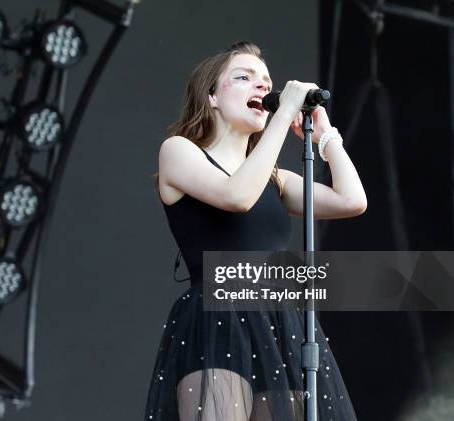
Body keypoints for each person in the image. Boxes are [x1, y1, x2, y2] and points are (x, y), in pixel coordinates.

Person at [144, 42, 366, 421]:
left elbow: (351, 200)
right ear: (211, 96)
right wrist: (284, 117)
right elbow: (237, 196)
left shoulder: (274, 178)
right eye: (244, 78)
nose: (262, 88)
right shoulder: (178, 151)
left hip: (280, 323)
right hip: (217, 320)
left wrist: (325, 137)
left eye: (266, 81)